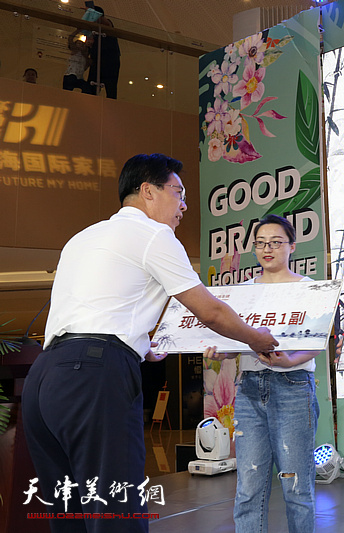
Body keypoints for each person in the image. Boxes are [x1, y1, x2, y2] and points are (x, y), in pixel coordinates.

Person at [21, 153, 280, 533]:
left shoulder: (82, 237)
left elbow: (98, 308)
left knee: (68, 510)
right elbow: (210, 311)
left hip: (43, 379)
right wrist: (258, 339)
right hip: (95, 375)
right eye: (178, 193)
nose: (183, 206)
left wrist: (141, 346)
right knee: (115, 507)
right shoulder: (154, 235)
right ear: (148, 191)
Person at [204, 214, 320, 533]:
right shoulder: (241, 293)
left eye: (276, 242)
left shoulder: (309, 289)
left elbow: (317, 341)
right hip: (250, 388)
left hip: (293, 386)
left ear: (292, 246)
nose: (267, 249)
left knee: (297, 487)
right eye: (261, 243)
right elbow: (234, 344)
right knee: (248, 488)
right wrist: (221, 352)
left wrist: (289, 361)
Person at [86, 6, 120, 99]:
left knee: (110, 88)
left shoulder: (106, 24)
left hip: (109, 61)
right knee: (90, 88)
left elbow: (105, 22)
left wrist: (91, 12)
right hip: (96, 61)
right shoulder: (93, 31)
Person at [63, 28, 93, 93]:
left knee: (87, 87)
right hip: (70, 75)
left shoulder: (86, 58)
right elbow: (70, 39)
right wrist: (78, 30)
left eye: (82, 44)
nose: (80, 45)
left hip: (79, 77)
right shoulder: (75, 51)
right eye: (78, 43)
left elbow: (86, 67)